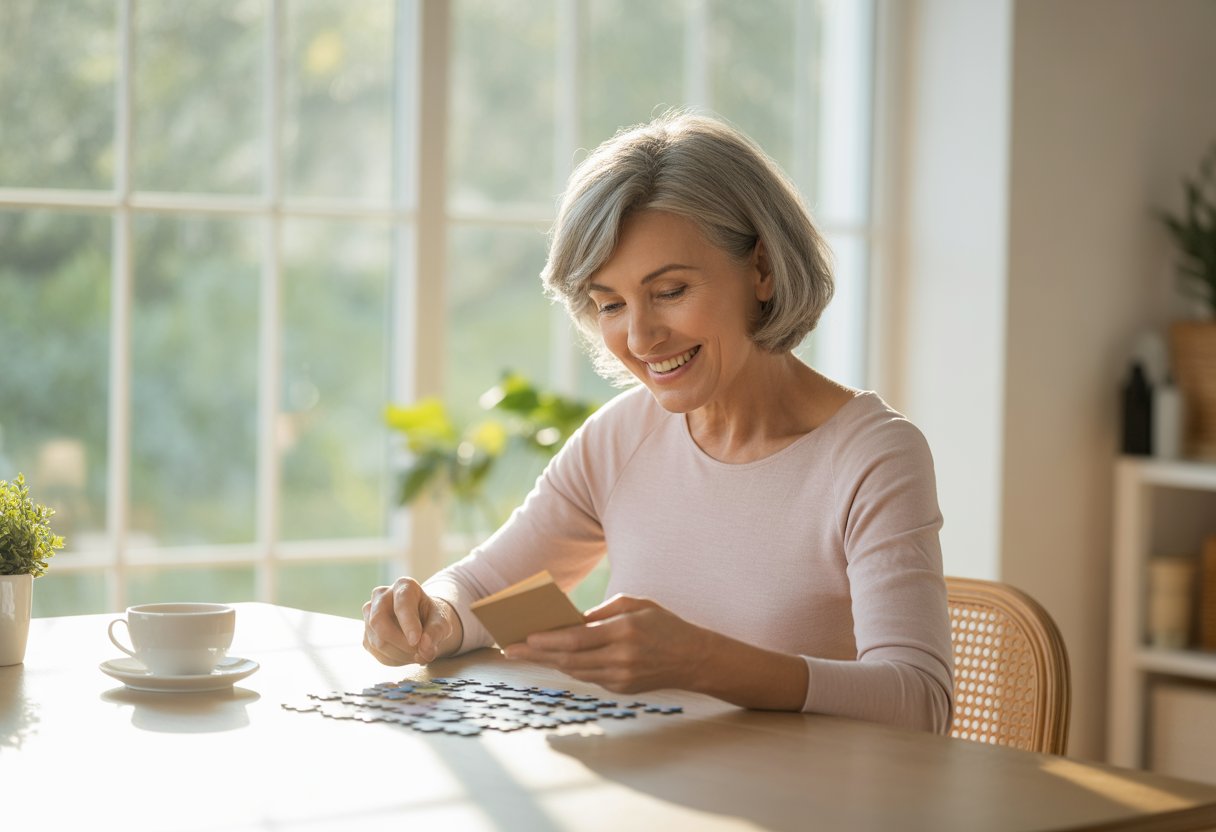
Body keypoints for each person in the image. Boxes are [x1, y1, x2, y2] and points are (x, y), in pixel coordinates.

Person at [363, 111, 953, 733]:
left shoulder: (871, 455)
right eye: (610, 304)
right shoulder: (621, 437)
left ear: (762, 269)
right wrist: (432, 616)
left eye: (669, 291)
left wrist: (704, 661)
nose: (640, 337)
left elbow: (919, 700)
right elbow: (489, 587)